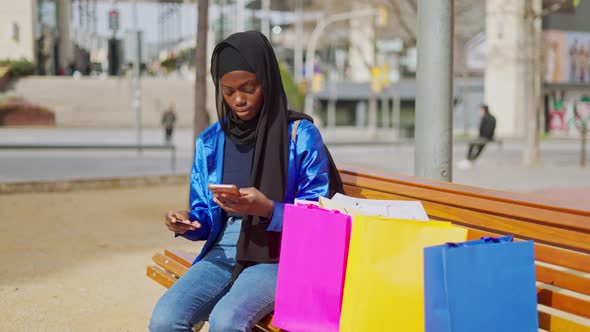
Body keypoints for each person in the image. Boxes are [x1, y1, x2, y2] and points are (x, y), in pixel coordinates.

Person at [149, 31, 343, 332]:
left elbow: (318, 215)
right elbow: (205, 213)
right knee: (164, 320)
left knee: (227, 321)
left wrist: (267, 208)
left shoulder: (298, 135)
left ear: (265, 80)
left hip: (279, 255)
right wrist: (188, 222)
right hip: (224, 249)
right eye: (228, 91)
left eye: (248, 88)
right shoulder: (212, 141)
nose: (238, 99)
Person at [458, 104, 496, 170]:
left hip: (484, 137)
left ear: (483, 109)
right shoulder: (492, 117)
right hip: (488, 137)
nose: (479, 111)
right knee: (480, 148)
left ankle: (469, 159)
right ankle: (471, 160)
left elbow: (485, 129)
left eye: (480, 110)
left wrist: (482, 137)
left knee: (472, 144)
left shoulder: (485, 117)